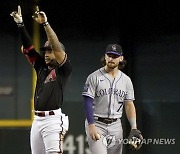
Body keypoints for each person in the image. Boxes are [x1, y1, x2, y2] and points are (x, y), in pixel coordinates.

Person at [10, 6, 72, 154]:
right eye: (45, 51)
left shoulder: (64, 69)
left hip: (53, 120)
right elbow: (28, 48)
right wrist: (21, 25)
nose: (46, 54)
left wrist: (45, 24)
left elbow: (57, 49)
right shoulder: (41, 67)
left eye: (50, 51)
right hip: (37, 120)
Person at [82, 44, 143, 154]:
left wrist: (134, 127)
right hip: (97, 123)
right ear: (105, 57)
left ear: (121, 58)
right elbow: (87, 102)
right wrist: (91, 125)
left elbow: (129, 104)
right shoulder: (94, 77)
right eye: (109, 55)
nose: (111, 59)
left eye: (114, 56)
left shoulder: (126, 80)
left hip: (116, 125)